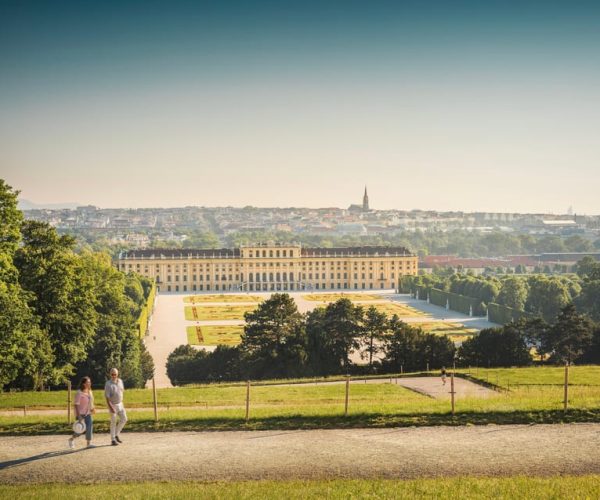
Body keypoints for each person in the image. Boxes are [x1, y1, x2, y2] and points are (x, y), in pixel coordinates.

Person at [68, 376, 95, 449]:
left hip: (88, 413)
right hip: (81, 414)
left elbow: (91, 402)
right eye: (88, 382)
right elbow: (76, 405)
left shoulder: (89, 391)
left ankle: (88, 444)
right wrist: (78, 415)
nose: (89, 383)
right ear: (83, 384)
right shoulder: (79, 393)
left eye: (90, 382)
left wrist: (92, 408)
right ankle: (71, 439)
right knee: (80, 430)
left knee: (89, 428)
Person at [105, 367, 127, 446]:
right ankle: (113, 440)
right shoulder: (108, 384)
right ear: (110, 374)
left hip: (120, 404)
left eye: (115, 374)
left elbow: (122, 391)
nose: (113, 376)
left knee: (124, 419)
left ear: (117, 374)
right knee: (113, 422)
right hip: (113, 405)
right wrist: (111, 407)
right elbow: (107, 398)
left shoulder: (120, 381)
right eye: (112, 374)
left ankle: (116, 434)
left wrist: (121, 401)